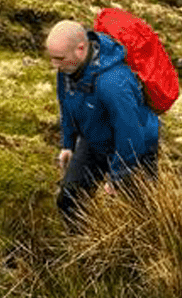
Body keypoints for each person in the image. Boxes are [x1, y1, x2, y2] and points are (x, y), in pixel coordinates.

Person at [46, 19, 161, 225]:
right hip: (95, 140)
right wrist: (68, 144)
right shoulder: (67, 71)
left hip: (136, 148)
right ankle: (81, 246)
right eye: (52, 58)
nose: (54, 65)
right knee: (69, 199)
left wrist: (119, 177)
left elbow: (130, 132)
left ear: (80, 49)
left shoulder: (113, 83)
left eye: (59, 58)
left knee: (141, 217)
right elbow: (67, 105)